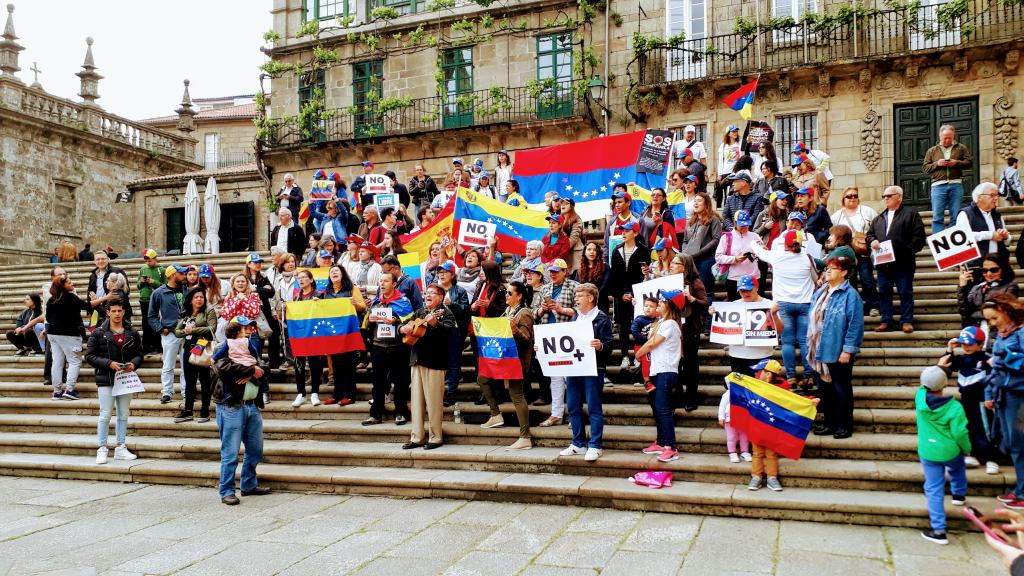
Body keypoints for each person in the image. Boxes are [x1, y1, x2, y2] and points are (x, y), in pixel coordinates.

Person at [212, 319, 270, 505]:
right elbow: (222, 368)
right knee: (230, 452)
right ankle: (227, 490)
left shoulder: (250, 348)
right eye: (245, 328)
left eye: (249, 328)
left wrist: (254, 372)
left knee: (255, 449)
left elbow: (265, 368)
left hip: (252, 404)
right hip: (231, 405)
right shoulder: (225, 347)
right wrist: (251, 370)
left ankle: (248, 484)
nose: (248, 331)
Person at [750, 231, 818, 388]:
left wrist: (754, 240)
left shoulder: (777, 256)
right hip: (805, 303)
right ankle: (809, 376)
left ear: (785, 244)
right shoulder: (807, 258)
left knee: (787, 342)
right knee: (804, 340)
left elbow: (759, 252)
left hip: (783, 304)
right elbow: (816, 279)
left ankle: (791, 377)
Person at [807, 256, 864, 440]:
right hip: (818, 349)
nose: (828, 271)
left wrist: (848, 350)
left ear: (844, 272)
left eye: (833, 268)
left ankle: (844, 425)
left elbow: (855, 324)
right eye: (827, 268)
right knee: (825, 390)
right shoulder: (821, 291)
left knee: (841, 389)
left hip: (837, 350)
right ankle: (829, 423)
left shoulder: (850, 295)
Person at [556, 283, 613, 462]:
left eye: (580, 296)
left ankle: (595, 445)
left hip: (593, 369)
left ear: (590, 298)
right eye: (576, 296)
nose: (576, 299)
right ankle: (578, 442)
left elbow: (609, 346)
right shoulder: (575, 318)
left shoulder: (602, 319)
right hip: (575, 368)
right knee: (573, 406)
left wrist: (601, 346)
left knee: (594, 407)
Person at [915, 365, 971, 545]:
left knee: (934, 489)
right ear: (945, 385)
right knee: (958, 468)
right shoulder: (955, 407)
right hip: (950, 450)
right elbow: (960, 433)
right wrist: (967, 447)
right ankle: (958, 495)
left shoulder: (919, 398)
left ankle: (938, 530)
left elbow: (925, 385)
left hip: (928, 452)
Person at [937, 326, 1001, 475]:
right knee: (966, 428)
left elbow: (994, 377)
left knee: (984, 429)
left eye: (970, 344)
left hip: (981, 401)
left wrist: (989, 397)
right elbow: (947, 364)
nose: (966, 347)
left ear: (980, 344)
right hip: (965, 400)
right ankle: (971, 454)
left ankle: (991, 459)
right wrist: (950, 349)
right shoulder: (962, 359)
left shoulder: (986, 359)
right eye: (963, 344)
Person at [400, 284, 457, 450]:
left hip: (435, 362)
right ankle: (417, 437)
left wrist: (435, 324)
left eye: (432, 293)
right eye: (427, 293)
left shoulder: (445, 313)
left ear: (440, 296)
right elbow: (404, 323)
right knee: (416, 402)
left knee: (434, 402)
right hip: (416, 360)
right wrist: (402, 328)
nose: (428, 296)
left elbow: (451, 335)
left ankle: (435, 437)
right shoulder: (420, 312)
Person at [85, 299, 142, 464]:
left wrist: (134, 364)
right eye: (114, 311)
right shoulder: (98, 332)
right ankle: (102, 448)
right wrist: (109, 363)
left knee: (123, 414)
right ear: (108, 312)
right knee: (105, 414)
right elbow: (89, 356)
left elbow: (139, 354)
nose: (117, 314)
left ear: (124, 312)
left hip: (125, 379)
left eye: (119, 310)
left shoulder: (132, 332)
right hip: (106, 379)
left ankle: (120, 447)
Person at [983, 294, 1024, 509]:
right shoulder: (1001, 334)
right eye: (988, 320)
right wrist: (989, 393)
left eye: (994, 318)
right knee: (1009, 443)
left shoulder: (1021, 332)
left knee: (1018, 444)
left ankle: (1022, 492)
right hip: (1003, 394)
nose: (991, 324)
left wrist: (1003, 358)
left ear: (1006, 311)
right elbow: (995, 369)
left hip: (1019, 394)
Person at [867, 186, 926, 333]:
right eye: (884, 196)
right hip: (883, 264)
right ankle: (886, 320)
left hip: (903, 263)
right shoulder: (879, 218)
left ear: (899, 197)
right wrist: (872, 241)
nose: (885, 198)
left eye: (889, 195)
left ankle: (906, 320)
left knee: (905, 291)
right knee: (884, 291)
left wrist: (906, 250)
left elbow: (919, 237)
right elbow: (869, 235)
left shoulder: (911, 215)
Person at [634, 289, 684, 463]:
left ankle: (671, 447)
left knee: (663, 409)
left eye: (662, 302)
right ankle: (661, 442)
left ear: (669, 305)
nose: (659, 304)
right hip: (658, 370)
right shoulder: (662, 322)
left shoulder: (670, 324)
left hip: (666, 371)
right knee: (657, 409)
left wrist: (638, 353)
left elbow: (653, 343)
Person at [364, 272, 414, 426]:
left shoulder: (404, 302)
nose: (382, 283)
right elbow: (365, 325)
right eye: (380, 281)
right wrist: (370, 321)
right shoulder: (375, 303)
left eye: (386, 281)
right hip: (378, 347)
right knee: (378, 382)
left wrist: (396, 321)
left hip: (398, 347)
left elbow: (411, 323)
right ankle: (375, 414)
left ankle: (401, 412)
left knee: (400, 382)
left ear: (394, 284)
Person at [536, 259, 579, 426]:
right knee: (555, 378)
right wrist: (542, 309)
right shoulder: (545, 288)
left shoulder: (574, 286)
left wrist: (562, 310)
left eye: (556, 271)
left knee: (570, 377)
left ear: (564, 271)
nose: (552, 274)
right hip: (549, 335)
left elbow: (580, 310)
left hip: (567, 335)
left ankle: (573, 414)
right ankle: (556, 413)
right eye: (550, 271)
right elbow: (535, 313)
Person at [712, 274, 782, 377]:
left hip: (762, 356)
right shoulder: (733, 306)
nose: (745, 293)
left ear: (757, 287)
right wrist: (715, 314)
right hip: (737, 355)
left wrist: (774, 315)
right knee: (741, 390)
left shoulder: (769, 305)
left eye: (749, 289)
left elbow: (779, 331)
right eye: (742, 291)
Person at [320, 265, 366, 407]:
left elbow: (363, 306)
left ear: (342, 274)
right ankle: (337, 394)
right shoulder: (326, 292)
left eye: (336, 271)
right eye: (331, 271)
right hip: (333, 333)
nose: (333, 273)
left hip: (349, 331)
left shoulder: (352, 289)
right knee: (336, 364)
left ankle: (349, 395)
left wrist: (355, 303)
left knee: (349, 364)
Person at [608, 221, 650, 370]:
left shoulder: (643, 250)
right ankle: (625, 356)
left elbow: (644, 274)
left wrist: (633, 294)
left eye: (627, 231)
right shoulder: (616, 250)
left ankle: (639, 355)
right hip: (621, 295)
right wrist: (620, 294)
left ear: (636, 233)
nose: (623, 233)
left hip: (638, 295)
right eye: (622, 231)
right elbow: (613, 276)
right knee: (623, 326)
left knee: (639, 325)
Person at [831, 187, 879, 314]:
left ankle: (873, 305)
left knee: (867, 279)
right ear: (843, 199)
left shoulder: (868, 211)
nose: (852, 198)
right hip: (845, 254)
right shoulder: (837, 215)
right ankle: (854, 307)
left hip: (863, 251)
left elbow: (877, 226)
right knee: (849, 282)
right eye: (849, 196)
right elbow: (831, 233)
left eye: (855, 195)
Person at [173, 287, 217, 423]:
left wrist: (193, 330)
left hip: (202, 345)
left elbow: (212, 328)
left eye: (201, 297)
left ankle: (205, 411)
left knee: (204, 380)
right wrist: (186, 332)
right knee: (189, 380)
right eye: (196, 297)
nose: (199, 299)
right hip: (188, 347)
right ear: (191, 300)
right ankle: (188, 410)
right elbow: (177, 330)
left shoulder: (209, 310)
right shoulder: (186, 313)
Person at [46, 274, 91, 401]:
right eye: (69, 282)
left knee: (57, 362)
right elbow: (86, 306)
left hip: (53, 333)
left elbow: (48, 318)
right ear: (63, 286)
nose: (72, 284)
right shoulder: (70, 297)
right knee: (75, 361)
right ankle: (70, 389)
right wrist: (106, 298)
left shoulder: (51, 299)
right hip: (69, 334)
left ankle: (57, 391)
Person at [956, 181, 1012, 283]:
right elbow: (961, 238)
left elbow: (1007, 241)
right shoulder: (966, 214)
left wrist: (1005, 236)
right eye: (992, 195)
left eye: (997, 195)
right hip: (976, 266)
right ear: (979, 197)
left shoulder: (997, 216)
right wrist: (990, 235)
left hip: (997, 269)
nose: (996, 198)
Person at [148, 264, 188, 404]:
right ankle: (167, 392)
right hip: (169, 332)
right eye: (181, 273)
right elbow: (151, 315)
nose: (185, 276)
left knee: (187, 364)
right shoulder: (158, 293)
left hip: (187, 332)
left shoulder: (186, 290)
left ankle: (186, 392)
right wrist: (160, 329)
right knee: (168, 365)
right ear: (172, 275)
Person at [923, 124, 973, 233]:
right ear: (940, 136)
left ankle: (953, 244)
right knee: (937, 216)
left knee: (955, 215)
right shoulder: (932, 151)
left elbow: (969, 163)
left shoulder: (961, 148)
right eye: (945, 138)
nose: (947, 140)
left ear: (953, 135)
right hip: (937, 186)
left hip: (956, 184)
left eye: (950, 138)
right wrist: (937, 164)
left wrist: (956, 163)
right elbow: (925, 168)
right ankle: (939, 244)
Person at [435, 261, 469, 406]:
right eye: (439, 273)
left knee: (453, 364)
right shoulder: (434, 290)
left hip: (455, 332)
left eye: (444, 272)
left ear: (452, 274)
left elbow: (466, 310)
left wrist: (451, 304)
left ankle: (451, 394)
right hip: (438, 332)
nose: (441, 275)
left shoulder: (459, 290)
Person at [681, 192, 723, 308]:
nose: (696, 203)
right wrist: (685, 254)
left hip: (707, 259)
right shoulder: (690, 222)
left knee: (706, 290)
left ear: (706, 204)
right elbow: (685, 241)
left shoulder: (713, 219)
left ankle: (709, 318)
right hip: (691, 260)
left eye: (699, 200)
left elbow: (716, 239)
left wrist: (700, 252)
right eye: (695, 201)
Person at [290, 269, 324, 407]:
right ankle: (301, 393)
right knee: (298, 364)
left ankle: (315, 392)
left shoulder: (319, 295)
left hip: (314, 334)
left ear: (311, 280)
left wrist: (319, 304)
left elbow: (325, 313)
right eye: (299, 277)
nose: (301, 279)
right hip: (299, 334)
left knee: (315, 363)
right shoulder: (296, 297)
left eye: (304, 277)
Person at [243, 253, 283, 368]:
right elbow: (244, 291)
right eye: (255, 262)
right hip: (251, 313)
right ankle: (257, 362)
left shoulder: (263, 277)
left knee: (274, 334)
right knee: (256, 338)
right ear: (249, 264)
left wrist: (255, 289)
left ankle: (274, 362)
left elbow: (271, 292)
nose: (258, 264)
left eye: (260, 262)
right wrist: (262, 289)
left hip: (265, 311)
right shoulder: (244, 278)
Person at [958, 254, 1018, 328]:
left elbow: (997, 311)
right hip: (977, 331)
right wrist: (962, 287)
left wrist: (973, 314)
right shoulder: (978, 287)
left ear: (1003, 269)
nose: (989, 274)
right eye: (984, 271)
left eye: (994, 270)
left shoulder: (1010, 286)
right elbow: (964, 311)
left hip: (998, 330)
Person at [715, 209, 759, 301]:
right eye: (741, 225)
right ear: (735, 223)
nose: (744, 227)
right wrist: (734, 259)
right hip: (734, 278)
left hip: (753, 277)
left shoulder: (754, 236)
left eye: (746, 224)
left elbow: (762, 252)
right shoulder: (726, 237)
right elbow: (718, 257)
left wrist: (760, 251)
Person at [137, 249, 165, 354]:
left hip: (157, 299)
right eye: (146, 261)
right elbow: (138, 286)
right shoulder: (143, 269)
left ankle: (157, 346)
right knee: (145, 323)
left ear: (155, 259)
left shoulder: (161, 270)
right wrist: (141, 282)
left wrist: (153, 282)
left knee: (155, 322)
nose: (148, 263)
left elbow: (165, 286)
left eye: (150, 260)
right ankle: (146, 346)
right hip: (144, 298)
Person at [574, 242, 609, 314]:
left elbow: (606, 284)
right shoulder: (580, 269)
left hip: (600, 302)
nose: (592, 252)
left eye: (594, 250)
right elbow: (577, 285)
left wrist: (593, 297)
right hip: (584, 303)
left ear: (598, 252)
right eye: (589, 249)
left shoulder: (605, 266)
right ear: (584, 252)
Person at [716, 124, 742, 195]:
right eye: (733, 131)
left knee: (735, 192)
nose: (735, 133)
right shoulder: (723, 145)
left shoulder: (740, 143)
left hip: (736, 171)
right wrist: (719, 175)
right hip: (726, 172)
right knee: (727, 194)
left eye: (736, 131)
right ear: (728, 134)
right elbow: (721, 161)